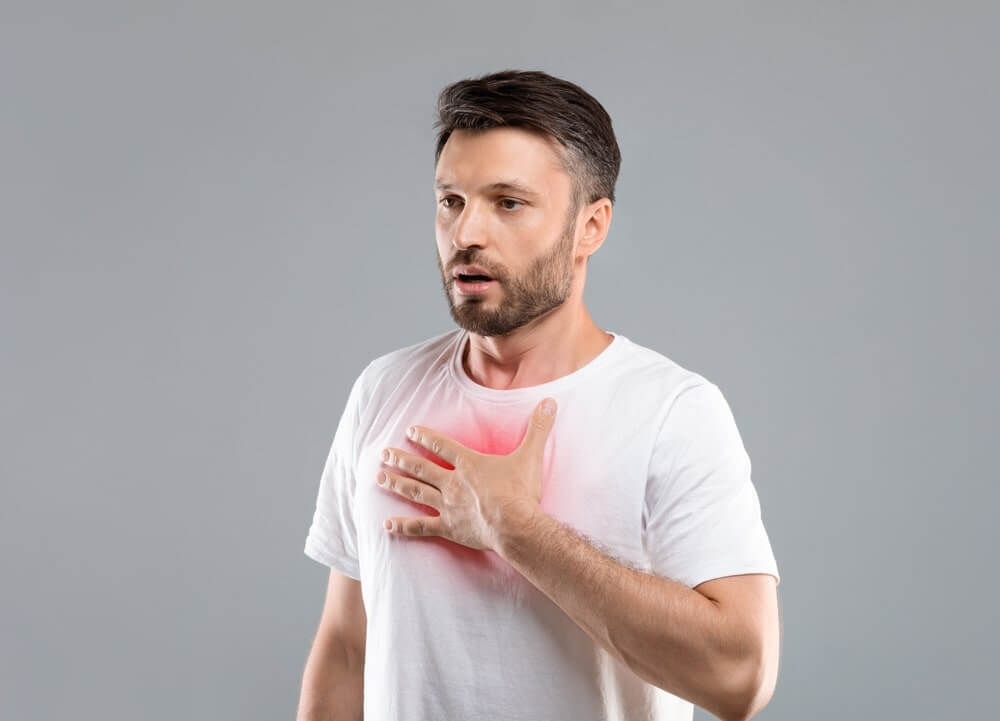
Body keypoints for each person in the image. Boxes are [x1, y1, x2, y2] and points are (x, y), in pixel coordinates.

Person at [297, 69, 781, 721]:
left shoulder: (672, 412)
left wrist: (517, 528)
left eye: (508, 202)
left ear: (591, 226)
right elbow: (348, 648)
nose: (467, 232)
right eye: (451, 201)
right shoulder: (384, 389)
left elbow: (740, 677)